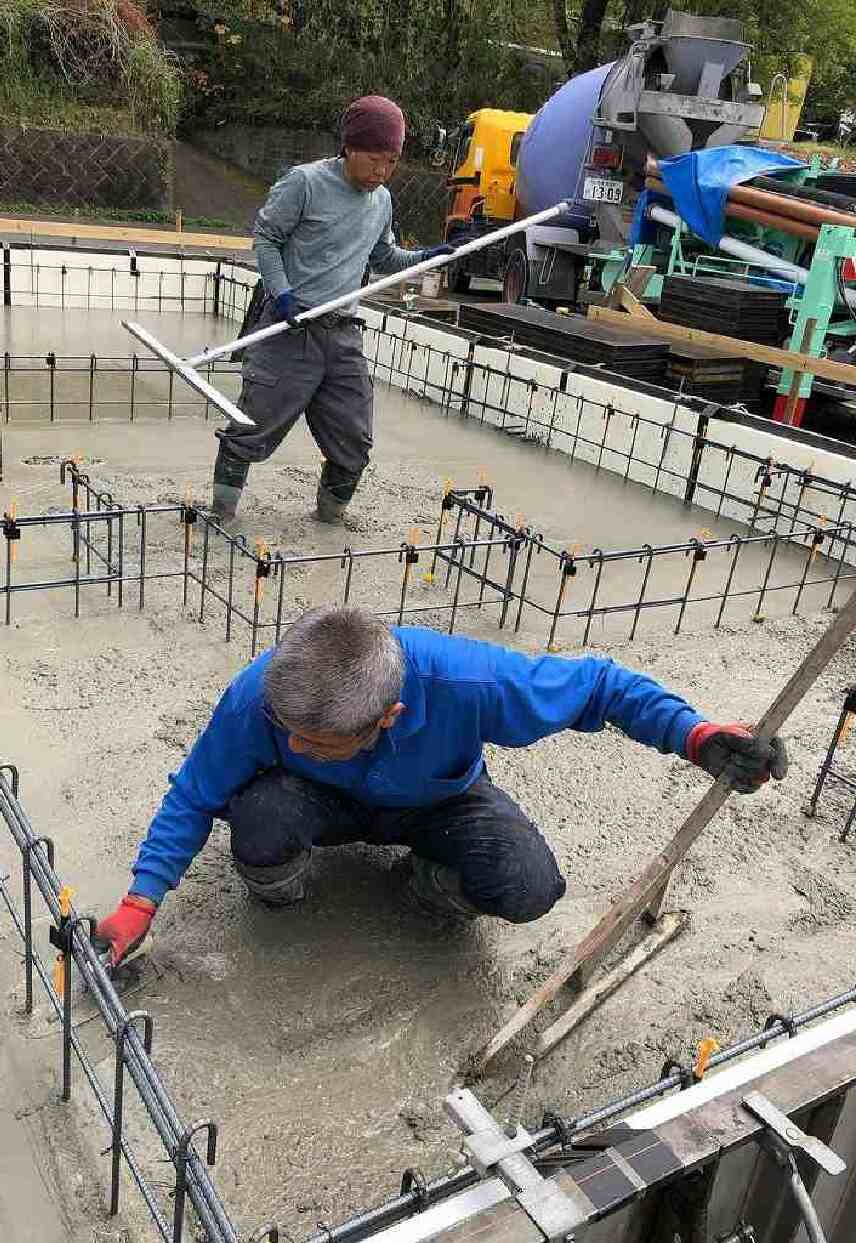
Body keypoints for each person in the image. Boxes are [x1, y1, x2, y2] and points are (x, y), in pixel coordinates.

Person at [95, 607, 788, 965]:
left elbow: (600, 685)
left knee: (528, 884)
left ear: (388, 716)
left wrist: (695, 736)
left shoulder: (470, 681)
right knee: (259, 824)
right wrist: (138, 904)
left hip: (438, 800)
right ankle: (285, 896)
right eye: (288, 732)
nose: (292, 743)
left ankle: (422, 887)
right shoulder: (263, 696)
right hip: (317, 801)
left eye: (316, 740)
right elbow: (193, 793)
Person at [210, 94, 453, 525]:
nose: (382, 171)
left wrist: (428, 258)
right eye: (375, 159)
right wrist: (281, 292)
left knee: (354, 440)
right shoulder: (304, 184)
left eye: (392, 161)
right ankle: (221, 514)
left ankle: (330, 522)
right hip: (290, 328)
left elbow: (383, 259)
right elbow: (266, 239)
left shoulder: (381, 201)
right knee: (251, 427)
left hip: (342, 335)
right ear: (349, 148)